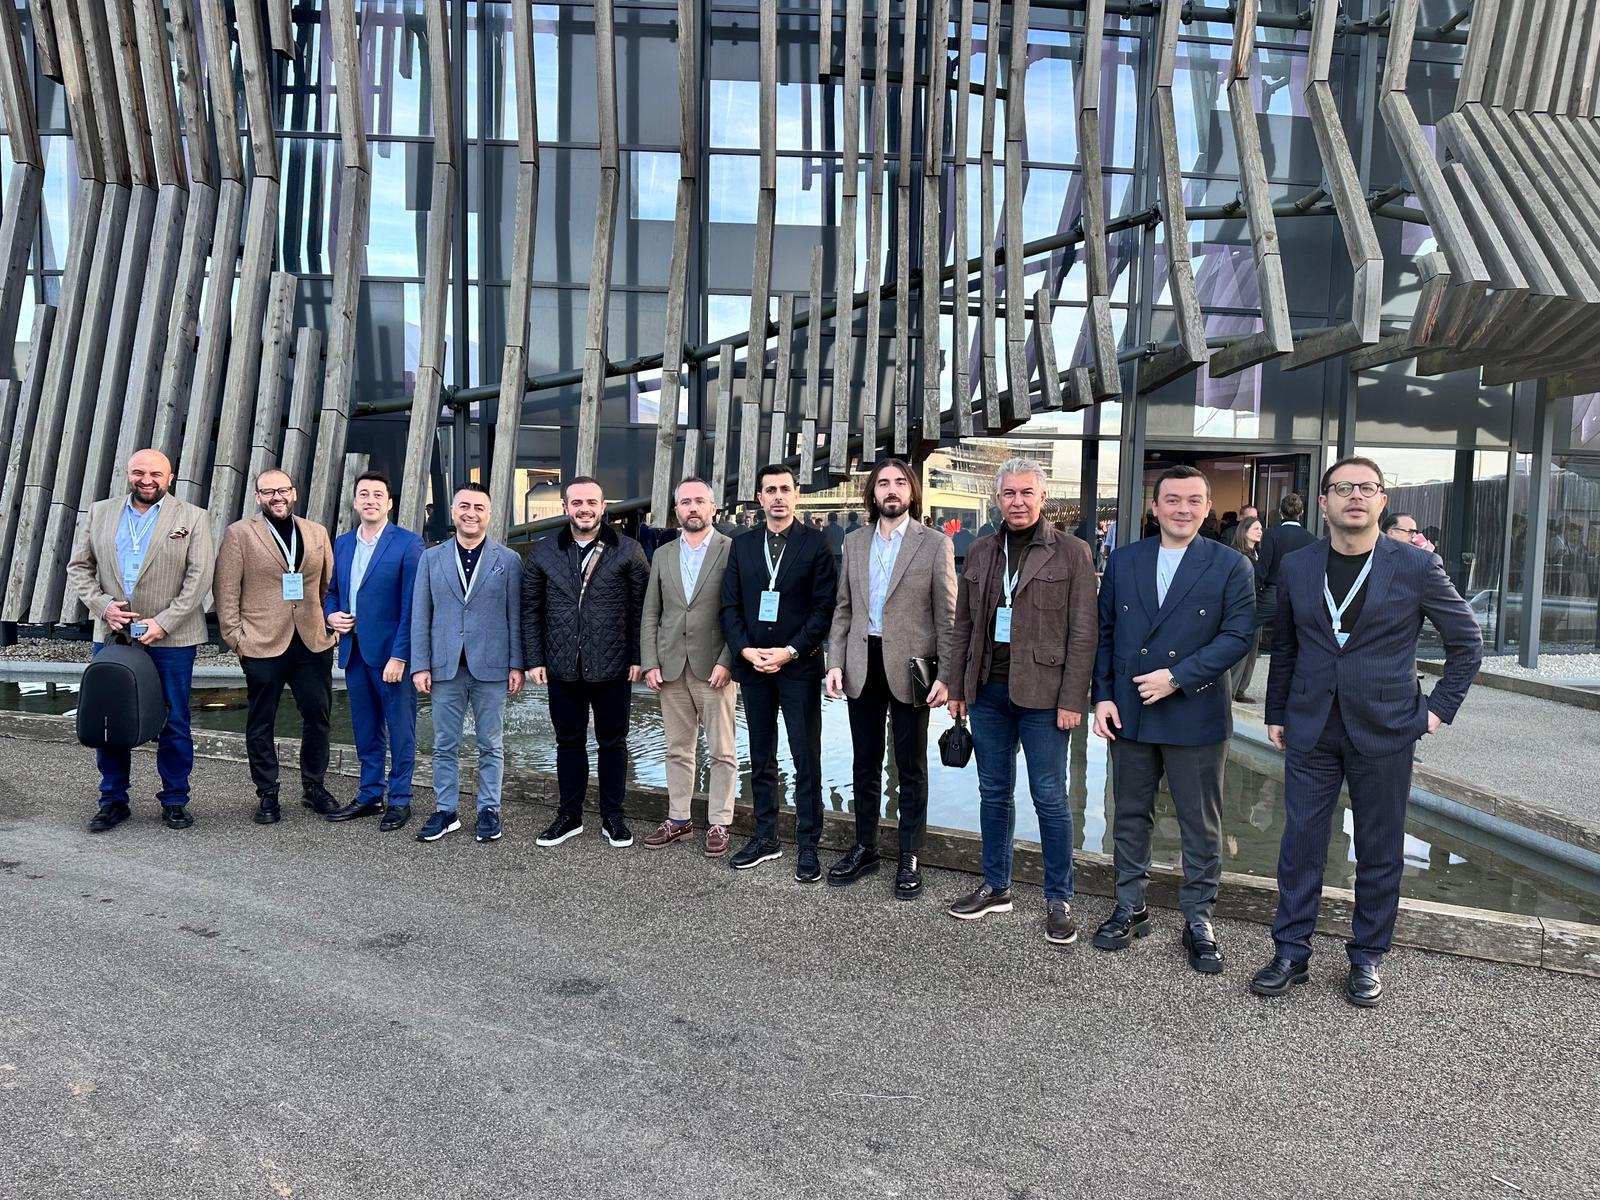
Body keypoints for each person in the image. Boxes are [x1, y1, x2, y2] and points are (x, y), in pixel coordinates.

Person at [1250, 457, 1482, 1008]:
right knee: (1300, 844)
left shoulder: (1416, 566)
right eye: (1343, 487)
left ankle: (1367, 957)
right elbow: (1286, 647)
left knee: (1379, 849)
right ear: (1323, 502)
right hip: (1311, 727)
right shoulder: (1300, 566)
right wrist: (1276, 711)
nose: (1355, 495)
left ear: (1382, 501)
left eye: (1367, 487)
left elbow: (1467, 643)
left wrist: (1436, 711)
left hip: (1386, 728)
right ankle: (1291, 952)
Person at [1090, 465, 1256, 973]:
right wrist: (1102, 696)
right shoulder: (1125, 560)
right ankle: (1130, 905)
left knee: (1200, 822)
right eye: (1172, 499)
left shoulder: (1230, 565)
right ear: (1156, 506)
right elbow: (1105, 632)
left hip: (1195, 709)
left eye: (1193, 500)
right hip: (1131, 709)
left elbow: (1238, 637)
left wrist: (1177, 677)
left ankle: (1199, 918)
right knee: (1128, 814)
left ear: (1207, 508)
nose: (1182, 509)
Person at [945, 458, 1097, 944]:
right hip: (987, 692)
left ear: (1043, 498)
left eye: (1027, 493)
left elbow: (1084, 634)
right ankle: (996, 886)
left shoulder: (1072, 553)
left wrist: (1073, 699)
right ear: (997, 499)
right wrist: (957, 687)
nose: (1017, 502)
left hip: (1045, 697)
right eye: (1009, 493)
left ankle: (1059, 897)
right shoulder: (981, 551)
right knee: (993, 792)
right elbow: (963, 626)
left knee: (1050, 797)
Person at [824, 458, 957, 899]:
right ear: (873, 493)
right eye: (883, 483)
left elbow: (948, 617)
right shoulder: (854, 542)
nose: (892, 490)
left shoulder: (934, 544)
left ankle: (909, 855)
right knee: (864, 763)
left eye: (900, 482)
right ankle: (865, 847)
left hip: (913, 668)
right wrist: (835, 661)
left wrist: (947, 676)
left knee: (911, 766)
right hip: (862, 663)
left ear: (912, 492)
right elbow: (844, 608)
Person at [66, 450, 214, 832]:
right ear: (128, 474)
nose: (146, 479)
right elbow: (79, 567)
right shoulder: (100, 512)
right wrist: (103, 607)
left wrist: (164, 623)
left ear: (170, 477)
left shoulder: (193, 517)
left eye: (155, 473)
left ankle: (175, 800)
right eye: (139, 472)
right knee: (109, 717)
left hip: (172, 637)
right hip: (114, 633)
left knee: (175, 720)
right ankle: (113, 800)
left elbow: (199, 579)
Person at [720, 463, 837, 880]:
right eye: (770, 490)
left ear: (796, 495)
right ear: (759, 498)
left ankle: (808, 843)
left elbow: (824, 608)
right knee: (761, 756)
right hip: (754, 666)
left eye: (785, 489)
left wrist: (789, 651)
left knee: (806, 757)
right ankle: (765, 837)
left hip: (797, 666)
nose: (778, 497)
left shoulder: (816, 543)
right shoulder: (743, 545)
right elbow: (729, 605)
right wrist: (745, 650)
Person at [523, 476, 649, 850]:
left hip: (613, 665)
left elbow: (642, 610)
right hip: (562, 664)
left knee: (613, 742)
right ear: (565, 508)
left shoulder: (628, 551)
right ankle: (569, 815)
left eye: (591, 502)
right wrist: (534, 659)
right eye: (576, 502)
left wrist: (638, 657)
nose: (584, 509)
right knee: (568, 742)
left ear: (603, 506)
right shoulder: (544, 552)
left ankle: (613, 816)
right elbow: (530, 610)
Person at [214, 469, 338, 825]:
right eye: (268, 492)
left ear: (294, 493)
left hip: (312, 641)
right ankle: (267, 792)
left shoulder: (316, 532)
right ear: (258, 497)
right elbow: (226, 590)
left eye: (282, 490)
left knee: (318, 716)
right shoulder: (240, 533)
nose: (277, 497)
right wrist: (236, 638)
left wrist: (330, 627)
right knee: (261, 719)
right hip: (261, 642)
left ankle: (314, 787)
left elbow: (328, 584)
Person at [409, 483, 525, 843]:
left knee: (491, 744)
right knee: (444, 744)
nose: (471, 513)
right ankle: (446, 811)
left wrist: (516, 664)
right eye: (464, 506)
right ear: (453, 511)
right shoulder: (431, 558)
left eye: (478, 507)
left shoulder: (509, 560)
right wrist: (420, 664)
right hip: (445, 666)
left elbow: (516, 616)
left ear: (488, 514)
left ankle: (489, 809)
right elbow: (420, 615)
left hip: (492, 665)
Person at [640, 477, 738, 857]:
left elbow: (739, 612)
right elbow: (652, 613)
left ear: (713, 507)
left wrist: (728, 660)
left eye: (699, 501)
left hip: (714, 667)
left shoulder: (731, 550)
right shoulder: (663, 553)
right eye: (685, 502)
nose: (692, 508)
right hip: (670, 667)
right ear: (676, 510)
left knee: (722, 750)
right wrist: (650, 662)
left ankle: (720, 822)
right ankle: (678, 818)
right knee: (677, 749)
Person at [323, 471, 424, 832]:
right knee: (366, 730)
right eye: (363, 494)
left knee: (401, 731)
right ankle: (369, 794)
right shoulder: (342, 543)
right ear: (355, 502)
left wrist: (401, 656)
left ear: (389, 503)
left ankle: (400, 799)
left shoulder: (409, 544)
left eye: (378, 495)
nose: (370, 500)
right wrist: (331, 615)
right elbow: (332, 592)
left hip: (391, 657)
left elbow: (413, 605)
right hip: (354, 653)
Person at [1255, 492, 1314, 636]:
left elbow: (1262, 568)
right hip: (1299, 595)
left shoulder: (1271, 534)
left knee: (1244, 624)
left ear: (1280, 512)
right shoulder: (1311, 539)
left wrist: (1254, 591)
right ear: (1301, 512)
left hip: (1273, 594)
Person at [1230, 515, 1266, 701]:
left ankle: (1240, 689)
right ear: (1244, 532)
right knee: (1239, 650)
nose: (1260, 532)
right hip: (1241, 608)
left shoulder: (1258, 554)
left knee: (1252, 650)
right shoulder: (1236, 554)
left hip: (1256, 607)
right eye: (1256, 529)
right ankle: (1230, 689)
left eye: (1261, 528)